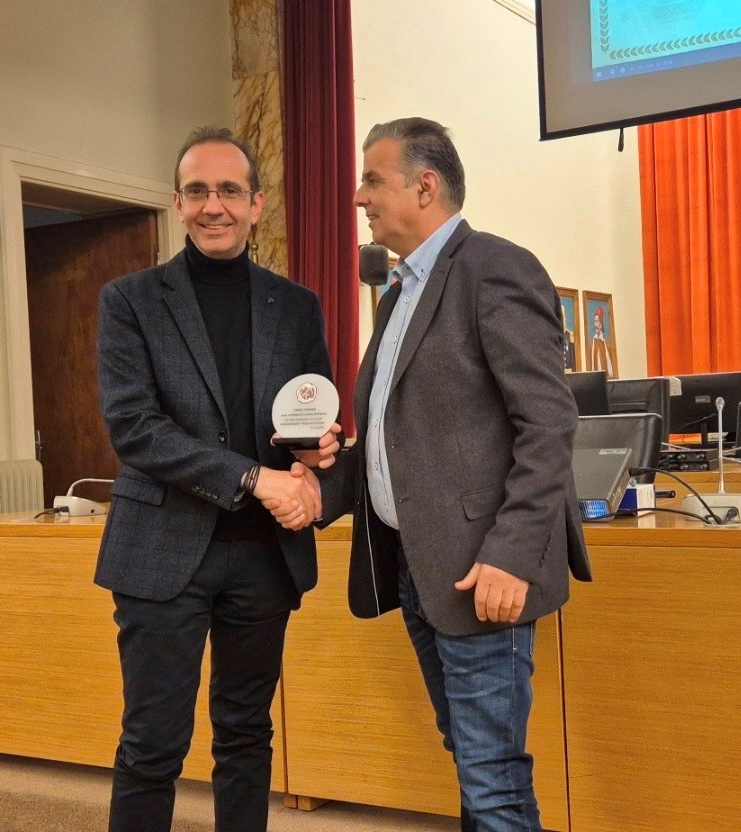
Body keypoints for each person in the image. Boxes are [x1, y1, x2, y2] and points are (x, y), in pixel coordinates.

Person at [300, 117, 592, 832]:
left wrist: (511, 554)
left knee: (491, 780)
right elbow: (399, 439)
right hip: (419, 566)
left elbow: (548, 424)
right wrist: (320, 485)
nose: (359, 197)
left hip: (484, 571)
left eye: (372, 180)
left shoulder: (495, 268)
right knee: (473, 758)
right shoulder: (399, 292)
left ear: (424, 186)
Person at [95, 126, 338, 832]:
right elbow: (135, 429)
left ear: (256, 204)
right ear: (178, 203)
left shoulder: (296, 305)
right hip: (161, 550)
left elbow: (309, 413)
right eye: (197, 191)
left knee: (246, 734)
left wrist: (318, 455)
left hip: (263, 556)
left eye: (229, 190)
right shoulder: (130, 300)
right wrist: (256, 478)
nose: (213, 206)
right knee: (153, 744)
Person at [589, 305, 616, 378]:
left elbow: (609, 364)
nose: (595, 325)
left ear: (601, 324)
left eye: (597, 321)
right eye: (594, 322)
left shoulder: (606, 342)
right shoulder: (593, 341)